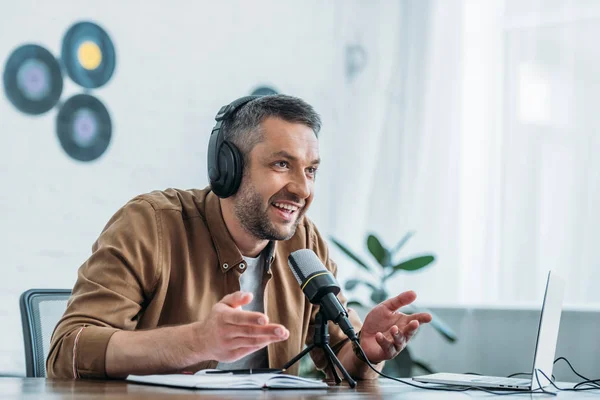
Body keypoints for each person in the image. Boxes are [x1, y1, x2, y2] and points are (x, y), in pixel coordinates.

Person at [47, 94, 432, 380]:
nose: (302, 189)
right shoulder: (151, 224)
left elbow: (339, 363)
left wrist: (365, 351)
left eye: (311, 170)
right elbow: (69, 350)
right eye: (282, 164)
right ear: (227, 167)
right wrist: (196, 342)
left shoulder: (304, 243)